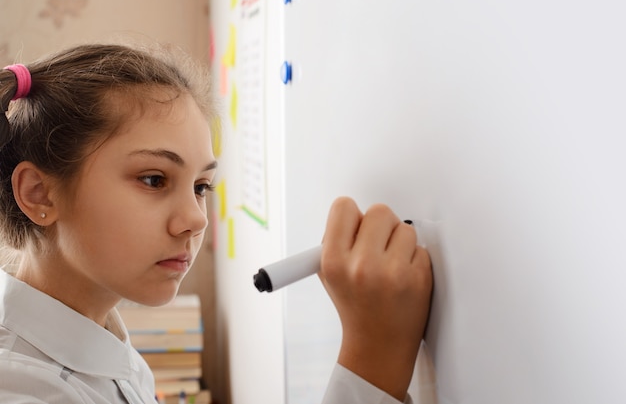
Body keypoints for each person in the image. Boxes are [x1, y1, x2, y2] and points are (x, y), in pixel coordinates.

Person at [0, 43, 433, 404]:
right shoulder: (23, 388)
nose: (195, 219)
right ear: (39, 193)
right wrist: (374, 357)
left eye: (201, 186)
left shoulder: (100, 333)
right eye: (154, 179)